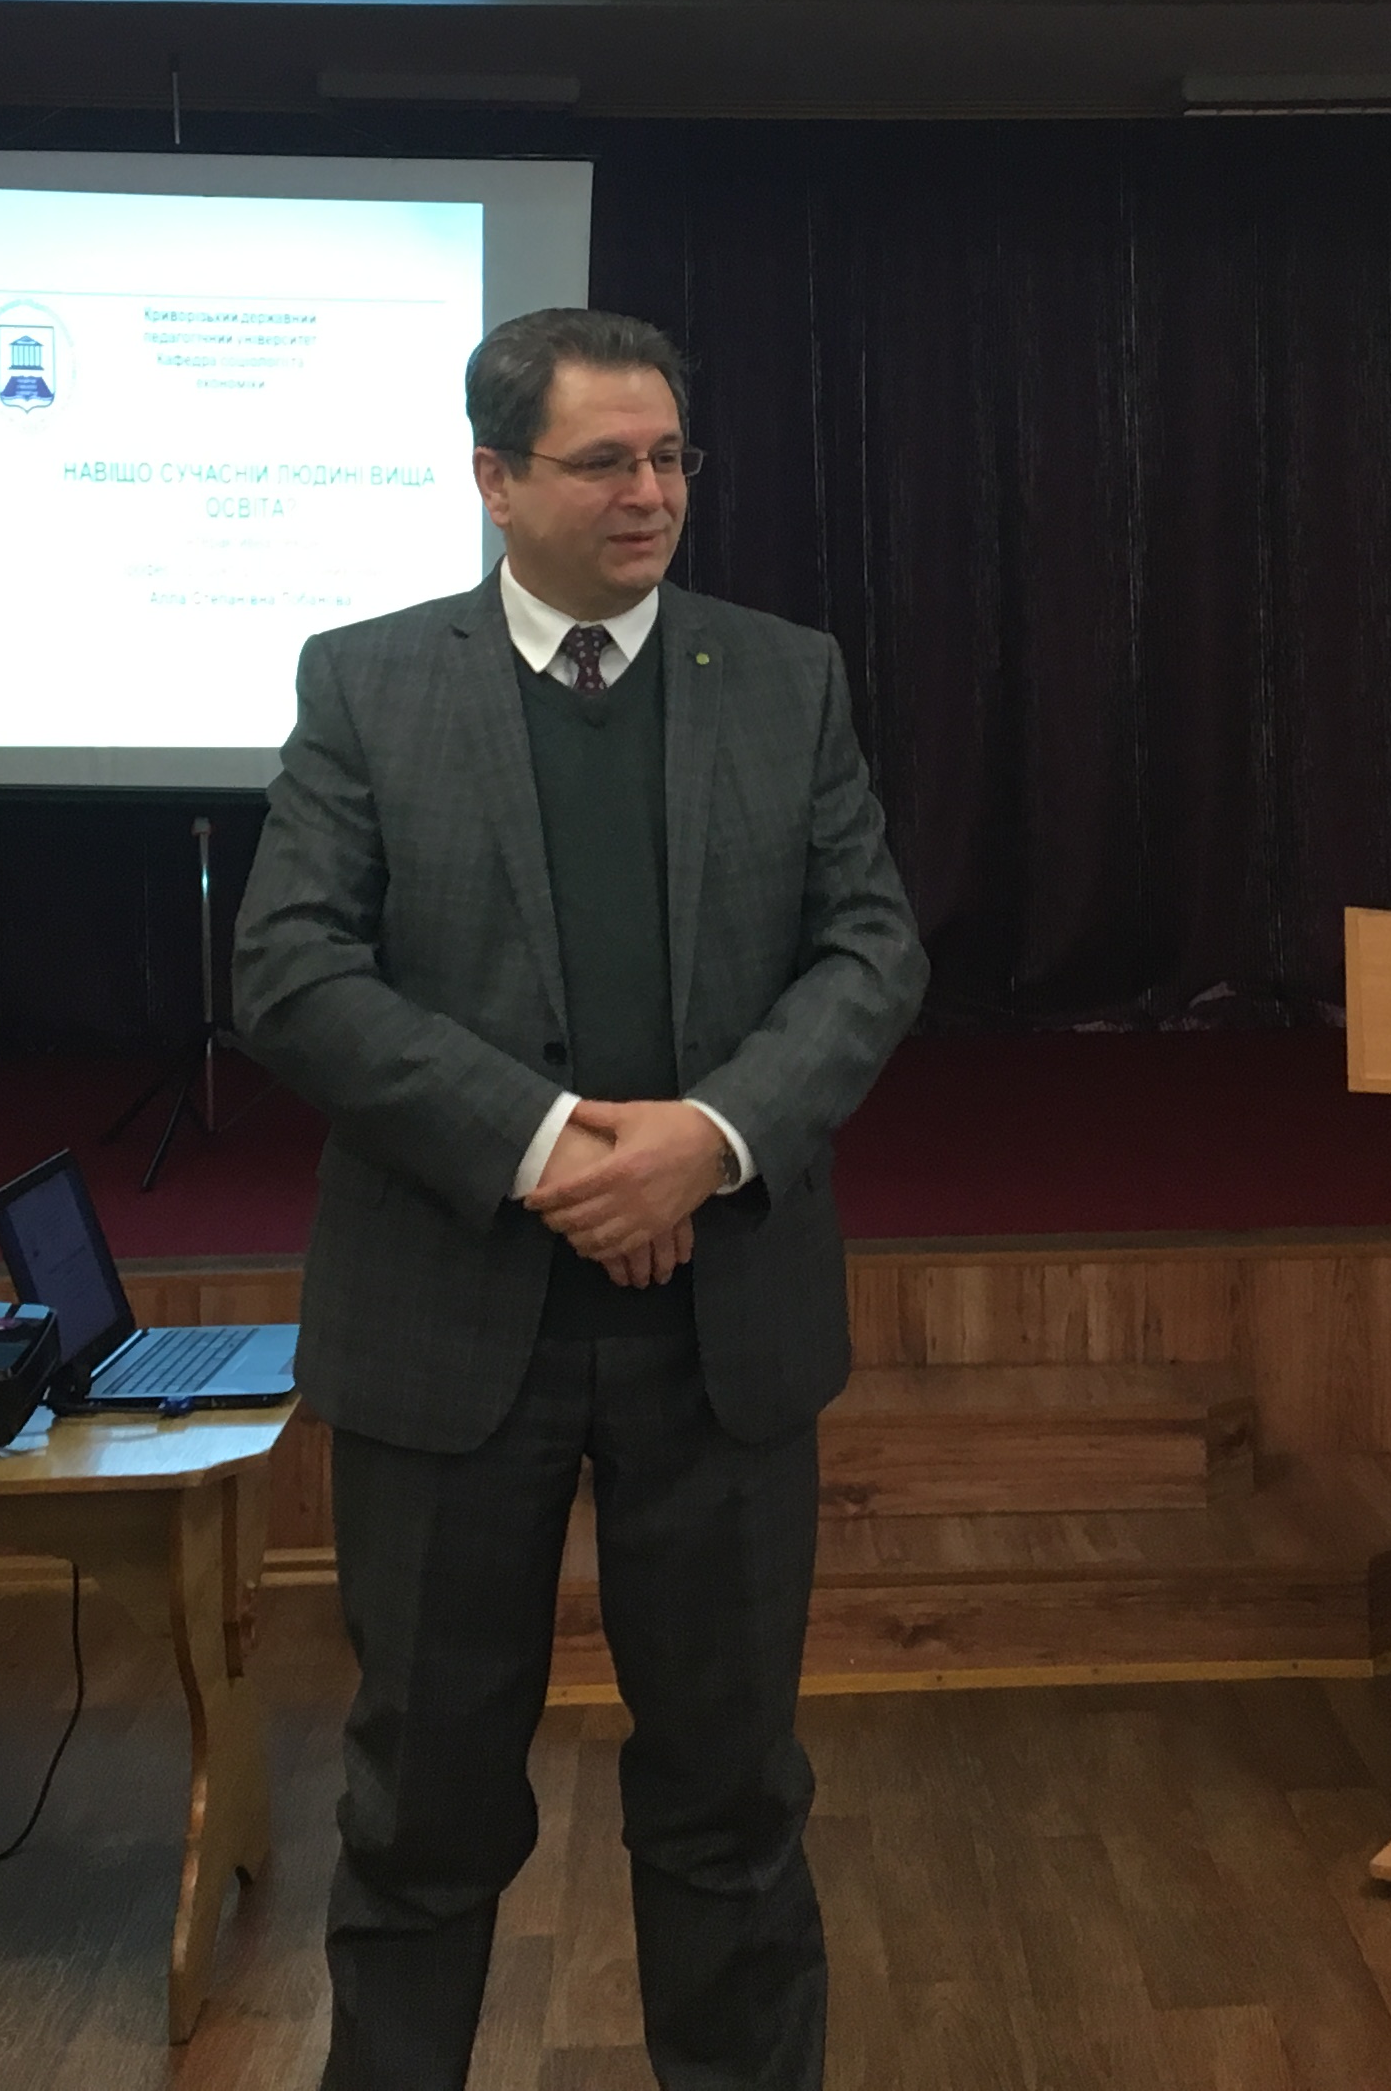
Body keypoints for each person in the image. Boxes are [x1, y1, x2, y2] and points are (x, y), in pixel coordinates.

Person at [233, 305, 927, 2091]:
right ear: (494, 480)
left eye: (672, 457)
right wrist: (548, 1147)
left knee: (733, 1798)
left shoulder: (785, 676)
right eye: (604, 461)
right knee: (422, 1805)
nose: (651, 494)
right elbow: (293, 971)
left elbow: (871, 949)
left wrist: (711, 1136)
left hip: (725, 1327)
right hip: (451, 1333)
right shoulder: (368, 681)